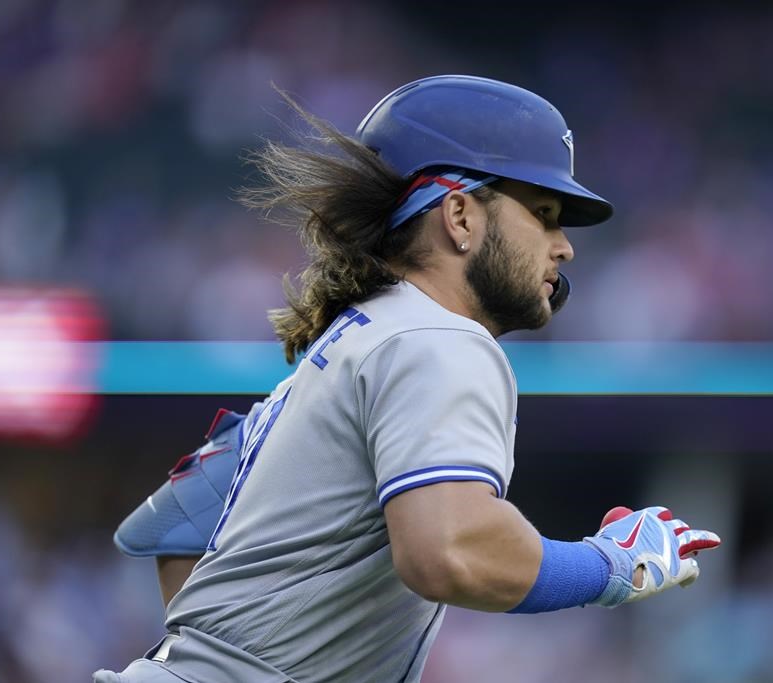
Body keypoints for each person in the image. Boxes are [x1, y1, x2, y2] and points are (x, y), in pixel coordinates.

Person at [94, 75, 721, 683]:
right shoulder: (440, 339)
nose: (564, 247)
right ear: (459, 215)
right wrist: (613, 565)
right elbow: (448, 551)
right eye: (544, 212)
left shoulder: (353, 344)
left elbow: (175, 523)